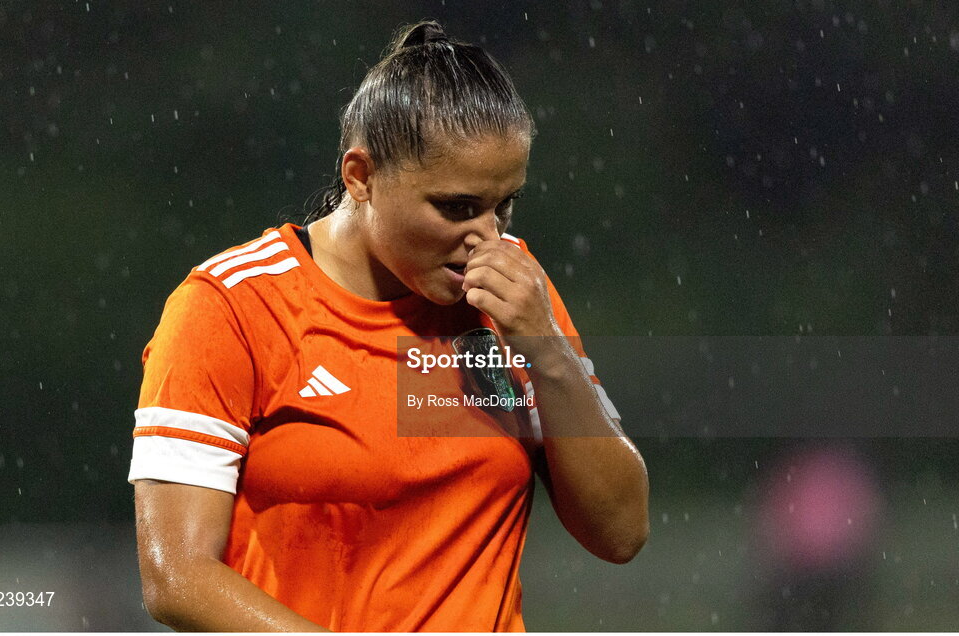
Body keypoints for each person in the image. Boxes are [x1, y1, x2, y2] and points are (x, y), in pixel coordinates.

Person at [128, 20, 649, 632]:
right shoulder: (229, 308)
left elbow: (620, 532)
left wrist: (547, 352)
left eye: (504, 204)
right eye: (456, 207)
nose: (487, 236)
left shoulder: (515, 295)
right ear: (361, 176)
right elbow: (176, 577)